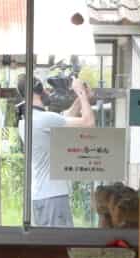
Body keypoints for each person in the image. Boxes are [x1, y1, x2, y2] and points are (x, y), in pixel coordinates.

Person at [17, 75, 95, 227]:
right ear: (36, 91)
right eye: (44, 89)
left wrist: (81, 99)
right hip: (53, 196)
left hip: (41, 196)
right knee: (61, 246)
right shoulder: (43, 119)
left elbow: (65, 118)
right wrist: (80, 92)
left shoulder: (29, 119)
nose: (47, 91)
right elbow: (88, 123)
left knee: (48, 246)